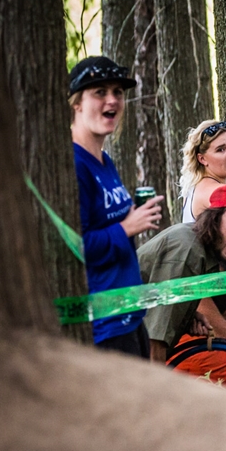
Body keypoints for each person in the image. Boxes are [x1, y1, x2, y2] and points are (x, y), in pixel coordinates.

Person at [69, 55, 164, 358]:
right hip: (103, 323)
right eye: (99, 92)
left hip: (130, 313)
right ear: (77, 103)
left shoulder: (104, 160)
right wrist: (127, 227)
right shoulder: (74, 164)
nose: (112, 100)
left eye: (118, 93)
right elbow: (74, 246)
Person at [138, 183, 226, 362]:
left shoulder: (203, 250)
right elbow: (154, 341)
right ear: (215, 219)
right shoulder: (187, 250)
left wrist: (187, 317)